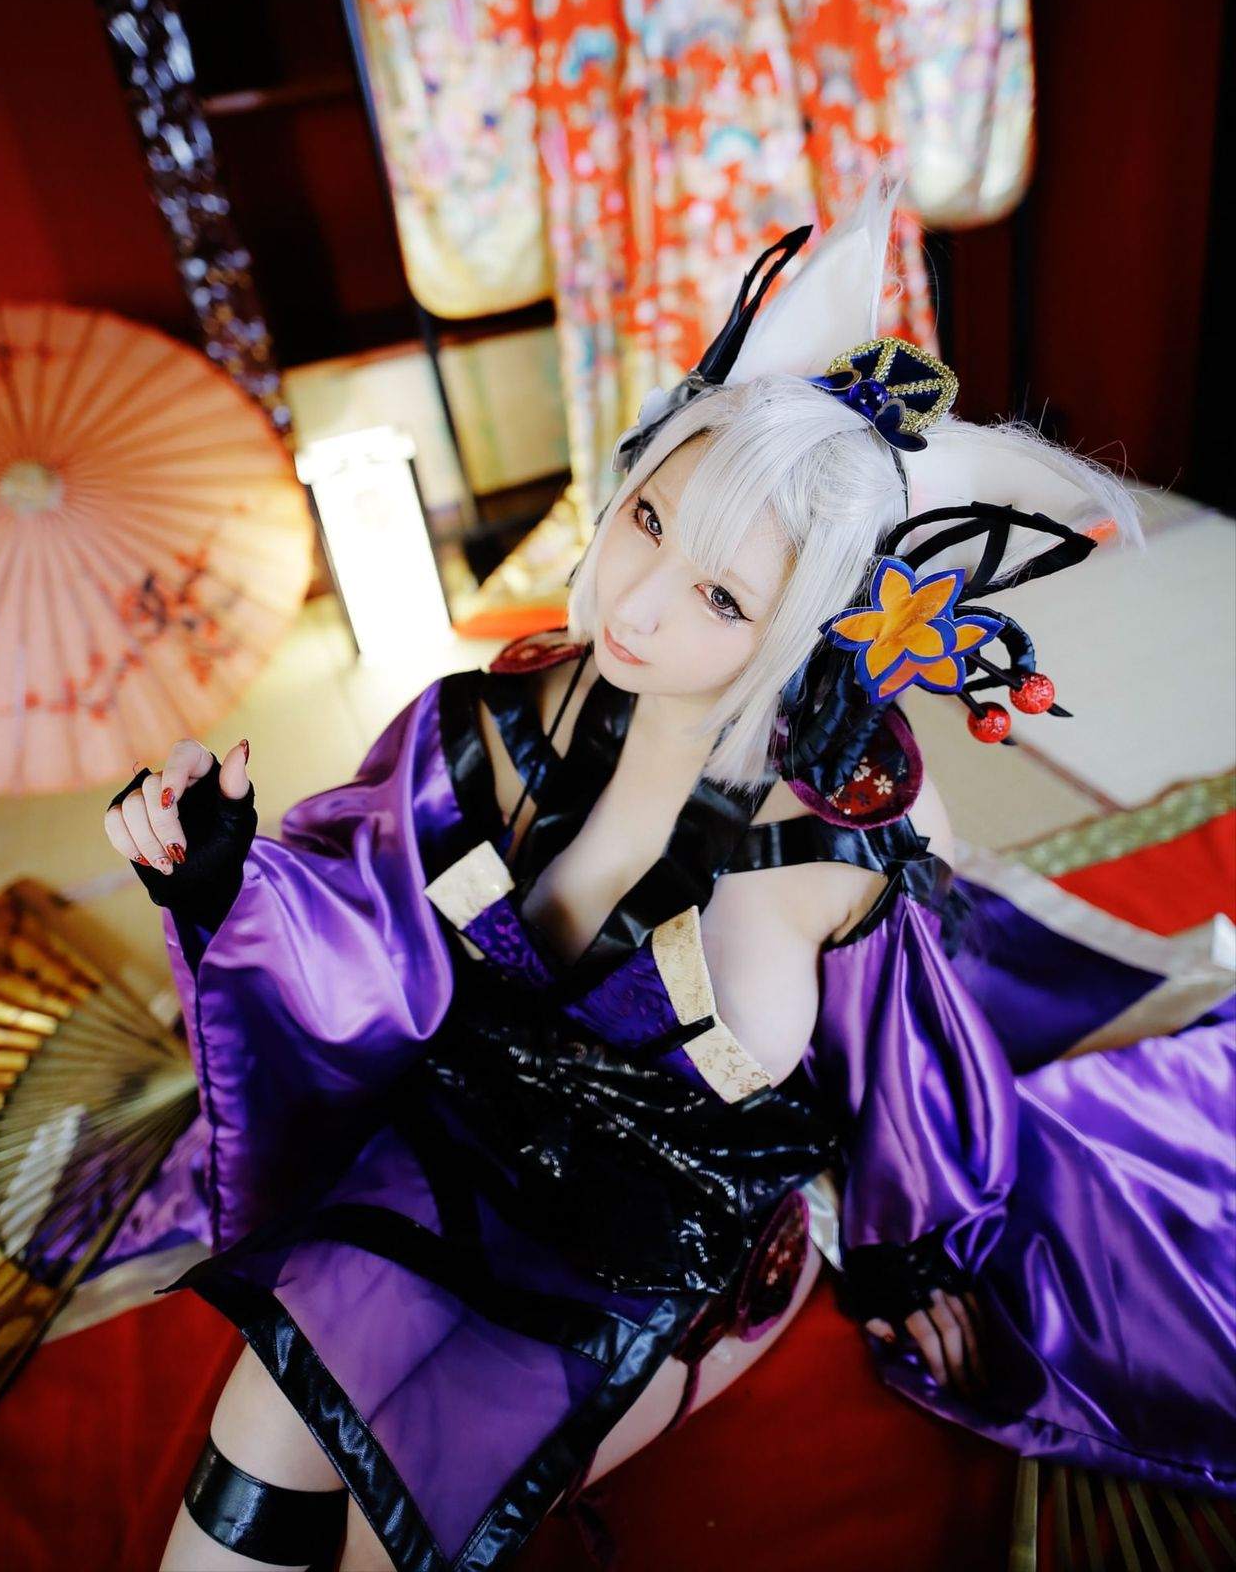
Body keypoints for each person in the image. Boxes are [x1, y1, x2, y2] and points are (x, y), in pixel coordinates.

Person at [104, 177, 1236, 1572]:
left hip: (667, 1254)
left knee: (394, 1529)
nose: (637, 608)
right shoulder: (485, 727)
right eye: (647, 522)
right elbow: (354, 937)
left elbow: (905, 1080)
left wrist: (913, 1262)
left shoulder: (836, 853)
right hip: (451, 1151)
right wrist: (222, 873)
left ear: (808, 629)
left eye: (721, 596)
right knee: (250, 1460)